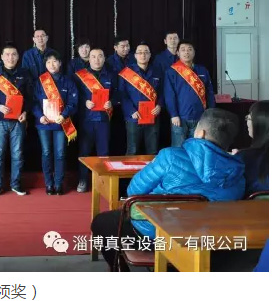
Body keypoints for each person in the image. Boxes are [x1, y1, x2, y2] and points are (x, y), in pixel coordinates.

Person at [91, 108, 245, 270]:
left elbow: (133, 191)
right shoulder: (238, 172)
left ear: (201, 133)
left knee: (102, 222)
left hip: (157, 233)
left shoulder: (170, 156)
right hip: (208, 239)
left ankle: (121, 270)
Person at [0, 42, 33, 196]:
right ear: (1, 56)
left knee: (17, 153)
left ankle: (16, 183)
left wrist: (26, 112)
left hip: (18, 121)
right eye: (7, 54)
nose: (10, 57)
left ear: (18, 56)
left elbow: (30, 97)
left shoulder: (25, 73)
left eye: (13, 54)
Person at [33, 49, 78, 195]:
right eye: (48, 62)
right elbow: (34, 102)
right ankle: (49, 183)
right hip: (44, 123)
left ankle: (58, 183)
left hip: (61, 123)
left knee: (60, 154)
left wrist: (64, 115)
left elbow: (73, 102)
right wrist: (40, 116)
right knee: (46, 153)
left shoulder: (68, 81)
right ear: (45, 64)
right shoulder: (40, 81)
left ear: (60, 63)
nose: (51, 64)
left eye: (54, 61)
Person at [74, 48, 115, 193]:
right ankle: (83, 180)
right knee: (84, 152)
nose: (97, 60)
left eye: (100, 56)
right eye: (93, 57)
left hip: (104, 120)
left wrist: (111, 102)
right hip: (87, 119)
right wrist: (84, 102)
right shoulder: (80, 76)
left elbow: (118, 94)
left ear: (104, 58)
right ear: (89, 59)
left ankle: (103, 181)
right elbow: (74, 96)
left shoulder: (111, 75)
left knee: (104, 152)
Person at [164, 40, 216, 147]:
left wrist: (210, 113)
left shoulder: (202, 70)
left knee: (196, 148)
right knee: (178, 149)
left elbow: (209, 93)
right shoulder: (171, 72)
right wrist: (174, 114)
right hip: (180, 118)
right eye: (183, 50)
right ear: (177, 53)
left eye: (189, 49)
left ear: (194, 52)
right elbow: (169, 95)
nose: (186, 52)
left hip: (200, 117)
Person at [118, 43, 163, 156]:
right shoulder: (127, 72)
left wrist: (160, 105)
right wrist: (131, 111)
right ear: (135, 55)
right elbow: (122, 95)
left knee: (152, 151)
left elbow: (163, 92)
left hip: (152, 116)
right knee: (132, 150)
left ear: (150, 55)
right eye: (140, 52)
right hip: (134, 117)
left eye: (146, 52)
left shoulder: (157, 71)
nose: (143, 55)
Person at [234, 100, 268, 196]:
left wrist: (235, 159)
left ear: (260, 124)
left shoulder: (243, 157)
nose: (246, 122)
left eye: (248, 118)